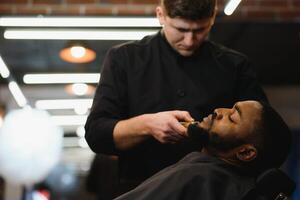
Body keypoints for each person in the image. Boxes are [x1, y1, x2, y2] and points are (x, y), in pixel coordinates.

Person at [85, 0, 268, 195]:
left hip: (214, 190)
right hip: (143, 188)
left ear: (213, 17)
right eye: (180, 29)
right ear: (160, 15)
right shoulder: (124, 59)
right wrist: (147, 125)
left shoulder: (235, 66)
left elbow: (262, 133)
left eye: (200, 30)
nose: (189, 41)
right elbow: (97, 134)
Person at [114, 100, 293, 200]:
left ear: (245, 153)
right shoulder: (221, 182)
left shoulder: (200, 178)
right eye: (230, 107)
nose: (218, 111)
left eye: (231, 117)